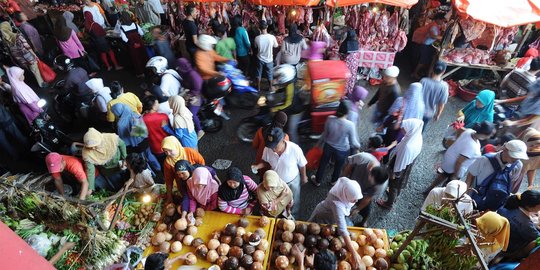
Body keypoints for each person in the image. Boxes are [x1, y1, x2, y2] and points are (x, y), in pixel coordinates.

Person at [308, 177, 364, 270]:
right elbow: (343, 230)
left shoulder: (345, 185)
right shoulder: (337, 205)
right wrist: (354, 253)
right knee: (314, 231)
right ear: (345, 195)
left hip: (331, 216)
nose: (356, 201)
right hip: (322, 217)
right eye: (354, 199)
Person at [424, 121, 495, 192]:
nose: (489, 137)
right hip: (454, 167)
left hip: (449, 157)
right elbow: (459, 162)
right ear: (483, 134)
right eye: (489, 135)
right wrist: (455, 175)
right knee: (449, 185)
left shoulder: (470, 131)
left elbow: (459, 132)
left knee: (443, 175)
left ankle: (429, 189)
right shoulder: (473, 147)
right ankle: (438, 195)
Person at [252, 127, 307, 217]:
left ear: (283, 140)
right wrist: (257, 166)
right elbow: (266, 162)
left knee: (293, 201)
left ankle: (292, 217)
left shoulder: (295, 149)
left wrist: (304, 176)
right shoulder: (268, 149)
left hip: (292, 182)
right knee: (275, 203)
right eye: (271, 146)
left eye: (275, 146)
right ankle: (278, 216)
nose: (273, 149)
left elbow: (302, 164)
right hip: (275, 184)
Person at [465, 140, 528, 210]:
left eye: (519, 157)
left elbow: (511, 183)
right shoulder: (484, 159)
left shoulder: (518, 165)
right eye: (514, 156)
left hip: (497, 201)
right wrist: (465, 194)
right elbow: (470, 176)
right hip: (476, 197)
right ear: (505, 150)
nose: (516, 159)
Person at [377, 119, 424, 209]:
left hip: (399, 167)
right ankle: (395, 194)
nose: (402, 129)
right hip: (407, 165)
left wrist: (395, 173)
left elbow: (400, 162)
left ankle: (389, 203)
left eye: (404, 128)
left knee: (393, 184)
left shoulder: (407, 146)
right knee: (399, 183)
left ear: (411, 128)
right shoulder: (416, 137)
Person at [313, 101, 361, 186]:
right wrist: (359, 146)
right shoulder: (350, 125)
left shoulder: (329, 119)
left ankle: (317, 181)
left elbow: (325, 134)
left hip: (328, 146)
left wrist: (319, 144)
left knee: (323, 163)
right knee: (338, 166)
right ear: (348, 112)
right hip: (341, 150)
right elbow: (353, 142)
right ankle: (333, 181)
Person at [111, 103, 161, 173]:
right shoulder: (133, 114)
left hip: (135, 146)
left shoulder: (120, 124)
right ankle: (158, 168)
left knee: (141, 160)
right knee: (150, 155)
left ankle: (150, 173)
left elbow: (123, 139)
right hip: (144, 140)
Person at [342, 152, 388, 226]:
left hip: (363, 193)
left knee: (366, 211)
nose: (373, 184)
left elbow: (369, 197)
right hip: (351, 183)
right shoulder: (362, 157)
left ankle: (363, 222)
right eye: (372, 182)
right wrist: (342, 179)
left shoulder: (381, 185)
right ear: (370, 173)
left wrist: (357, 209)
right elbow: (349, 166)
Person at [497, 190, 540, 261]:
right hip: (507, 249)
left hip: (499, 237)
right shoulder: (526, 224)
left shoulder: (510, 203)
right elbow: (537, 237)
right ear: (530, 206)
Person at [82, 128, 128, 192]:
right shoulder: (86, 154)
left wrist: (125, 158)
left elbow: (122, 144)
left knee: (126, 178)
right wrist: (90, 187)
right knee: (117, 183)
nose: (93, 148)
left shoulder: (111, 138)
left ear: (100, 140)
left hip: (120, 162)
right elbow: (90, 170)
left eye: (95, 145)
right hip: (108, 170)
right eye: (90, 147)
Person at [161, 136, 205, 202]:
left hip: (198, 183)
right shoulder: (168, 162)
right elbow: (168, 180)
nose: (168, 154)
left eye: (170, 150)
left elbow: (202, 164)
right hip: (183, 187)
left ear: (176, 146)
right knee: (190, 200)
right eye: (165, 151)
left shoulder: (190, 152)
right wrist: (169, 196)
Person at [0, 22, 44, 87]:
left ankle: (35, 81)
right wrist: (34, 54)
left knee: (30, 70)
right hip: (28, 56)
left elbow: (9, 52)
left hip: (19, 59)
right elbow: (27, 46)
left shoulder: (5, 41)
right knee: (35, 70)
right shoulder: (18, 36)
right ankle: (41, 84)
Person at [412, 12, 446, 79]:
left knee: (425, 60)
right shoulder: (433, 25)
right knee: (423, 60)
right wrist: (442, 37)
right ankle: (414, 73)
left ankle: (420, 72)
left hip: (428, 44)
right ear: (438, 19)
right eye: (442, 20)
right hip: (426, 45)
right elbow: (433, 36)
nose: (443, 22)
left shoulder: (435, 25)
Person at [176, 58, 203, 135]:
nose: (179, 69)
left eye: (179, 67)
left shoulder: (192, 74)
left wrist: (189, 95)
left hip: (198, 96)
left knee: (191, 113)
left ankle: (199, 130)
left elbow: (198, 88)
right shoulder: (186, 73)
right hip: (192, 94)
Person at [142, 95, 170, 164]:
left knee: (163, 164)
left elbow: (139, 135)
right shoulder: (164, 116)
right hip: (168, 144)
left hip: (155, 148)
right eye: (157, 103)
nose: (158, 104)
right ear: (153, 106)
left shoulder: (141, 119)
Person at [421, 60, 449, 129]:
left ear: (432, 69)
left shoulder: (423, 81)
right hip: (428, 114)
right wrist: (438, 114)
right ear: (443, 72)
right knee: (420, 130)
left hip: (418, 110)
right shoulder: (444, 86)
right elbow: (441, 103)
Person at [119, 11, 148, 77]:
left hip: (131, 46)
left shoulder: (122, 27)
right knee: (143, 56)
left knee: (136, 59)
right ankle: (148, 70)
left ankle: (141, 73)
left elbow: (124, 39)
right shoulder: (135, 24)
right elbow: (141, 33)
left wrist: (130, 42)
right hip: (140, 43)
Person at [254, 20, 278, 91]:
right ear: (267, 27)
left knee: (258, 73)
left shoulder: (257, 38)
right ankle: (270, 87)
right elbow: (276, 46)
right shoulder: (272, 37)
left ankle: (258, 88)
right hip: (269, 59)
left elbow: (255, 46)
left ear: (259, 28)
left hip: (260, 58)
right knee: (270, 74)